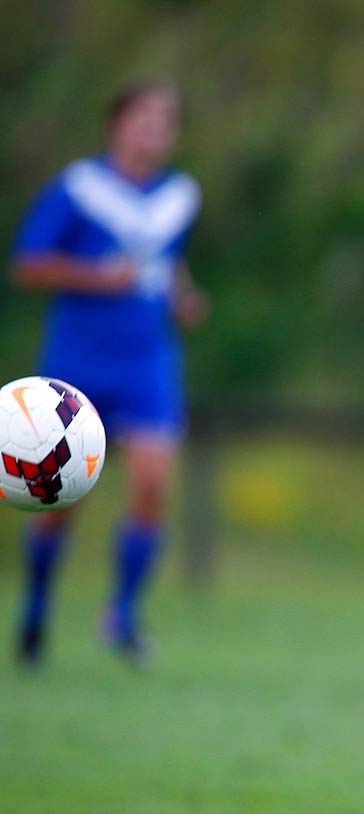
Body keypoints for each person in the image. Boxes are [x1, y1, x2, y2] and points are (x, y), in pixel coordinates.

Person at [11, 80, 207, 669]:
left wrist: (183, 297)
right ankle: (37, 610)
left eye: (165, 120)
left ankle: (121, 615)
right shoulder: (79, 189)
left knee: (152, 484)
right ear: (116, 125)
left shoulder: (179, 195)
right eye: (143, 118)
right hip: (79, 364)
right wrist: (100, 277)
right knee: (63, 500)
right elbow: (29, 265)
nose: (154, 130)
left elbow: (167, 262)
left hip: (148, 360)